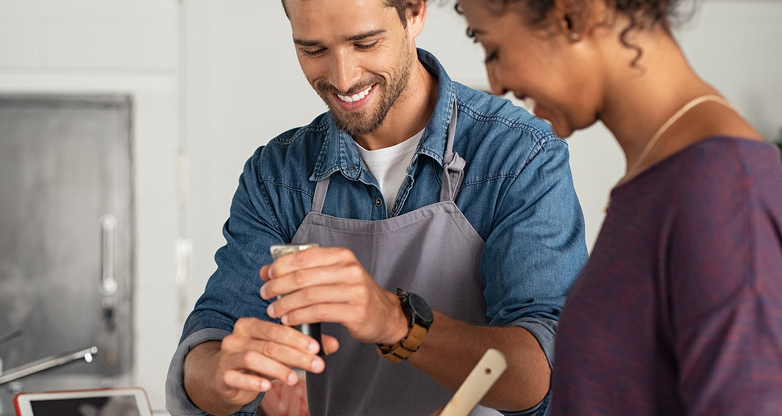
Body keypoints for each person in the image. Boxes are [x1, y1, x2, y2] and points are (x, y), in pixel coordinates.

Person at [166, 0, 589, 415]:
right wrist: (223, 377)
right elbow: (208, 344)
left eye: (365, 43)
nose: (343, 77)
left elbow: (546, 371)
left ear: (415, 12)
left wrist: (396, 321)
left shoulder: (518, 155)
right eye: (313, 50)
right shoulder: (276, 176)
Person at [454, 0, 782, 415]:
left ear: (573, 14)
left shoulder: (722, 186)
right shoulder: (657, 180)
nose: (496, 82)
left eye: (494, 50)